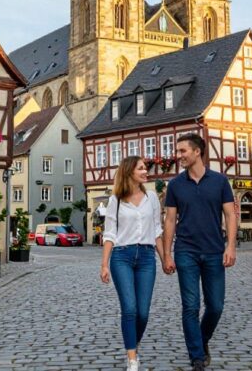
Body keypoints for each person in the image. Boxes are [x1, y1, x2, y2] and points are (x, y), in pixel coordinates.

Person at [163, 133, 237, 371]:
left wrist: (231, 246)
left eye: (183, 151)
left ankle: (201, 339)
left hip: (214, 251)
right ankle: (196, 357)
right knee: (191, 306)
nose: (179, 156)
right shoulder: (175, 185)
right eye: (178, 151)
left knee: (216, 306)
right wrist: (167, 254)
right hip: (186, 251)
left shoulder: (220, 181)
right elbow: (170, 220)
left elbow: (230, 215)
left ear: (197, 152)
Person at [99, 156, 165, 371]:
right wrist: (104, 264)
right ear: (129, 172)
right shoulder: (115, 200)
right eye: (141, 168)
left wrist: (165, 259)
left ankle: (132, 344)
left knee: (143, 312)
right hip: (122, 257)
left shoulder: (152, 198)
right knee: (129, 308)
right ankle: (132, 359)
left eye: (145, 168)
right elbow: (109, 234)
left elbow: (157, 231)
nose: (146, 171)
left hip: (146, 257)